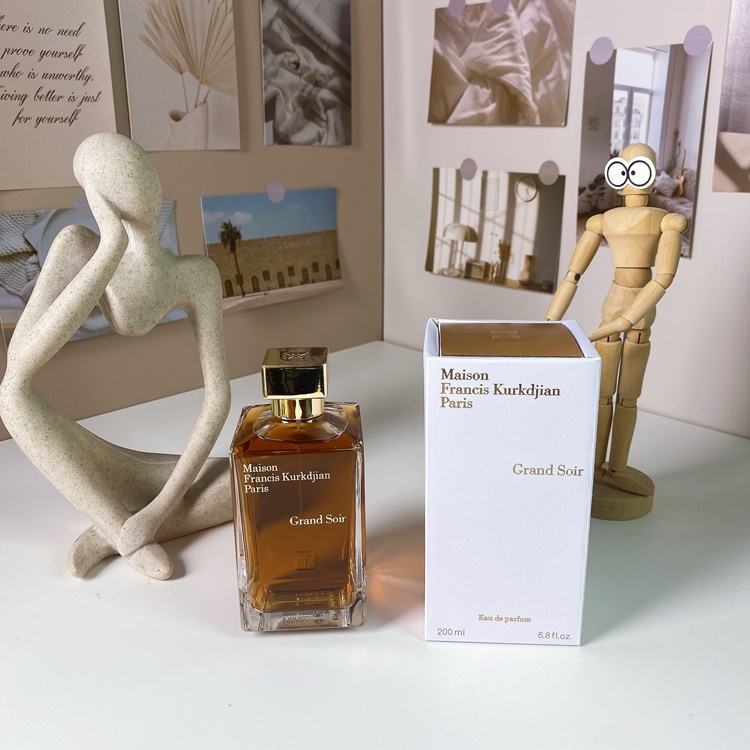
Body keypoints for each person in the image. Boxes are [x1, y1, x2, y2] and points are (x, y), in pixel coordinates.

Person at [0, 133, 231, 578]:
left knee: (254, 482)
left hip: (147, 478)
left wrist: (157, 512)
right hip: (90, 458)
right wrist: (109, 247)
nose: (142, 182)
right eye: (122, 175)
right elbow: (20, 366)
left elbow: (218, 398)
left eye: (142, 168)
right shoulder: (78, 246)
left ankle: (116, 530)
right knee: (10, 398)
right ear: (98, 195)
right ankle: (117, 524)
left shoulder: (196, 274)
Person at [546, 143, 687, 518]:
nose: (629, 179)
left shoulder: (666, 221)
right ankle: (595, 466)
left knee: (627, 396)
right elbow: (572, 275)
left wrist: (628, 318)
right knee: (602, 395)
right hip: (612, 307)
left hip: (638, 314)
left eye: (637, 169)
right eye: (622, 169)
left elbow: (664, 277)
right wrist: (549, 323)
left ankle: (618, 469)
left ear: (651, 174)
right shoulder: (603, 220)